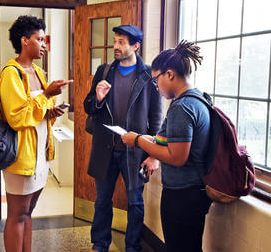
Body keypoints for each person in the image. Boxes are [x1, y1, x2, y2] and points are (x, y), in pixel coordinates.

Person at [121, 40, 213, 252]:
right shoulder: (197, 99)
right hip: (191, 192)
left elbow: (176, 157)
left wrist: (137, 140)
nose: (156, 87)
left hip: (183, 194)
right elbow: (171, 144)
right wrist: (147, 140)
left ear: (170, 74)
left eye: (156, 80)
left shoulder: (183, 107)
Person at [84, 25, 163, 252]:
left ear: (135, 46)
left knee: (135, 203)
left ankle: (132, 247)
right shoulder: (104, 70)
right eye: (115, 41)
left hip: (136, 151)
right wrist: (97, 98)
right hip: (105, 148)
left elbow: (156, 118)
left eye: (121, 42)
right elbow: (88, 107)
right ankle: (99, 245)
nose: (115, 46)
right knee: (102, 201)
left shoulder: (148, 75)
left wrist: (153, 154)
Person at [0, 15, 71, 252]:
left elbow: (37, 111)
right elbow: (17, 117)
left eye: (44, 39)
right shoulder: (11, 73)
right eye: (39, 39)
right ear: (24, 41)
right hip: (21, 155)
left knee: (28, 213)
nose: (43, 45)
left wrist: (51, 112)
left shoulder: (38, 72)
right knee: (17, 215)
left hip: (39, 154)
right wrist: (47, 95)